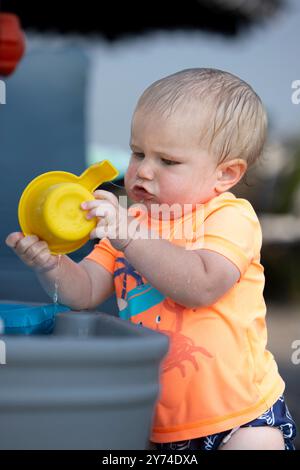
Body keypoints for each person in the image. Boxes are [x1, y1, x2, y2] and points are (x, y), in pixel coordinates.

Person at [6, 68, 297, 450]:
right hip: (160, 424)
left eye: (168, 161)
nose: (143, 170)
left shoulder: (229, 217)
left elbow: (203, 285)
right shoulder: (134, 224)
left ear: (225, 173)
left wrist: (128, 234)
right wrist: (50, 264)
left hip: (241, 416)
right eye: (138, 153)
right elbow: (86, 292)